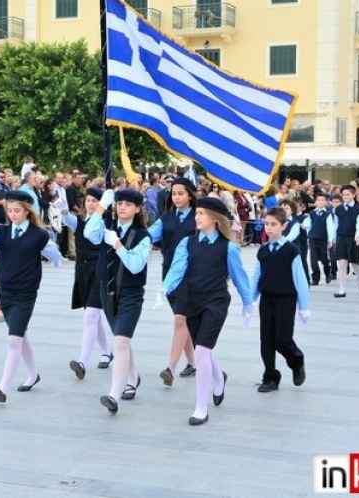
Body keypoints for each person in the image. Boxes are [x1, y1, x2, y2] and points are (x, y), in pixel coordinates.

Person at [0, 190, 62, 403]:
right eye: (9, 210)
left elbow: (55, 256)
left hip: (26, 293)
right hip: (6, 292)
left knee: (14, 340)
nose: (13, 214)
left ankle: (2, 386)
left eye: (17, 210)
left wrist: (54, 257)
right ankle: (33, 375)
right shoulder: (3, 232)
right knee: (20, 335)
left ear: (27, 211)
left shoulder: (38, 235)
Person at [160, 197, 254, 426]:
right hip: (192, 301)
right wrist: (164, 288)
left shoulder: (229, 247)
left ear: (214, 217)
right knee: (205, 350)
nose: (197, 216)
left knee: (201, 351)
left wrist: (248, 303)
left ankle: (201, 408)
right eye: (197, 212)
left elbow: (240, 276)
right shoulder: (187, 243)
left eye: (201, 212)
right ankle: (219, 378)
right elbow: (177, 268)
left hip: (216, 302)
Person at [85, 188, 151, 416]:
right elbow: (88, 233)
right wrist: (102, 205)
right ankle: (133, 378)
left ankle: (113, 394)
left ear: (137, 209)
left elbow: (135, 265)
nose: (122, 207)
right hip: (108, 291)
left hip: (131, 294)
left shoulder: (143, 236)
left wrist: (118, 245)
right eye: (119, 203)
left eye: (128, 204)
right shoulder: (107, 227)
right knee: (122, 340)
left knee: (120, 342)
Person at [250, 207, 311, 393]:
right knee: (266, 339)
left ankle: (296, 360)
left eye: (273, 224)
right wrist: (250, 300)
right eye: (267, 224)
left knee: (282, 339)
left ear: (283, 226)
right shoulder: (263, 251)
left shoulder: (291, 250)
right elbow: (256, 276)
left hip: (286, 300)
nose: (269, 228)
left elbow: (300, 279)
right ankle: (270, 377)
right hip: (267, 299)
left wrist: (304, 306)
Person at [147, 177, 199, 386]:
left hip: (192, 275)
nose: (176, 197)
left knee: (180, 320)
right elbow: (149, 236)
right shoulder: (166, 218)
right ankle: (194, 363)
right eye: (174, 193)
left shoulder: (199, 216)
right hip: (169, 274)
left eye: (181, 193)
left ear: (190, 195)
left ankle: (170, 368)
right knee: (183, 321)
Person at [62, 187, 113, 379]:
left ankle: (82, 361)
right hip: (83, 272)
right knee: (94, 316)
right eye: (88, 200)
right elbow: (68, 220)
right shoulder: (80, 222)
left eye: (94, 201)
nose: (90, 204)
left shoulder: (103, 223)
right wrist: (63, 210)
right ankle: (107, 352)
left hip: (99, 271)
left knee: (91, 315)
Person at [332, 185, 359, 297]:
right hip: (341, 237)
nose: (345, 196)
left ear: (353, 195)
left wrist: (357, 235)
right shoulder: (338, 209)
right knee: (342, 263)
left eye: (348, 194)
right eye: (344, 194)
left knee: (356, 264)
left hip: (354, 238)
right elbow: (336, 224)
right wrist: (332, 238)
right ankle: (342, 289)